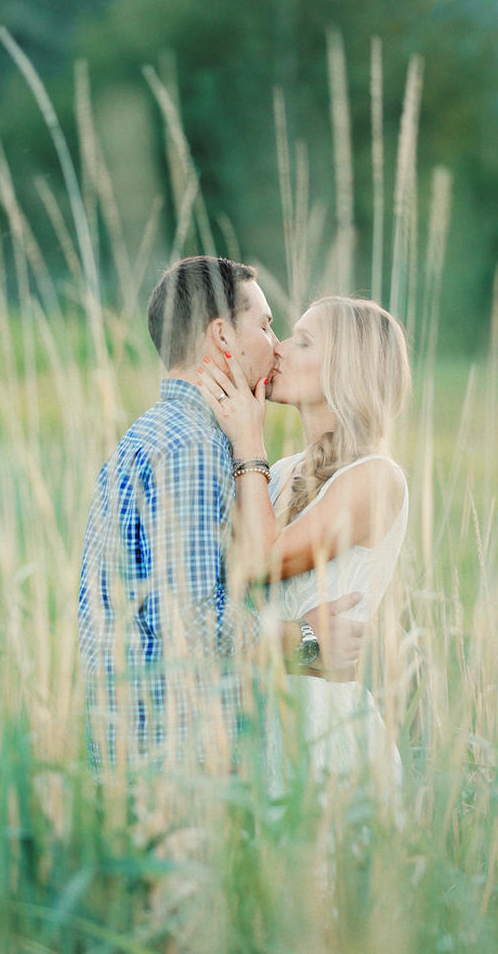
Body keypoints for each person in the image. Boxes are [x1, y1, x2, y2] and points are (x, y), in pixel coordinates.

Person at [78, 258, 366, 773]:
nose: (275, 344)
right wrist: (304, 639)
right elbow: (190, 622)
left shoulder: (152, 433)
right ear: (222, 336)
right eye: (265, 324)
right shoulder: (192, 446)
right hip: (172, 762)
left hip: (137, 750)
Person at [196, 295, 411, 783]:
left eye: (304, 341)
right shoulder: (286, 472)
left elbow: (260, 559)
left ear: (347, 370)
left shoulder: (377, 478)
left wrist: (249, 442)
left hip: (326, 737)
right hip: (259, 724)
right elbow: (222, 571)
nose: (281, 350)